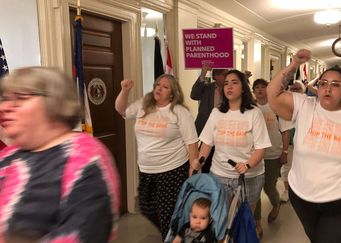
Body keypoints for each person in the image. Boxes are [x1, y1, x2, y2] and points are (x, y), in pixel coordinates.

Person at [267, 49, 341, 243]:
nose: (327, 89)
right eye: (323, 84)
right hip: (303, 198)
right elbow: (272, 94)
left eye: (335, 85)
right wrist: (293, 65)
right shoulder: (304, 105)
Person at [0, 67, 120, 242]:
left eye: (20, 98)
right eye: (4, 98)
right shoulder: (8, 155)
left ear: (54, 102)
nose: (4, 107)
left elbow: (83, 234)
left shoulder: (84, 157)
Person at [115, 74, 199, 239]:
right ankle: (177, 234)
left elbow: (192, 143)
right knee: (146, 208)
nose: (159, 88)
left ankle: (171, 238)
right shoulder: (143, 105)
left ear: (173, 93)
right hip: (146, 169)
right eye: (157, 85)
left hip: (172, 170)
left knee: (168, 213)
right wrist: (124, 91)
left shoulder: (179, 112)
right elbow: (121, 109)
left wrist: (193, 170)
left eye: (165, 87)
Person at [198, 69, 271, 215]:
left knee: (244, 218)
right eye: (226, 83)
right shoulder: (217, 112)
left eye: (234, 83)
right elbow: (207, 142)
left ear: (243, 88)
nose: (229, 87)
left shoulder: (254, 113)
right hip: (219, 174)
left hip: (249, 176)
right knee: (220, 217)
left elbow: (261, 148)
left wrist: (247, 165)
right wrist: (198, 161)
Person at [251, 78, 290, 238]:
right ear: (253, 91)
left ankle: (276, 204)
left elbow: (285, 131)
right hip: (254, 155)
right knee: (255, 191)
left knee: (269, 187)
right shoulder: (250, 107)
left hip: (273, 153)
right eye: (257, 88)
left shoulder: (276, 106)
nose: (260, 90)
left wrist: (285, 152)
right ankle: (257, 223)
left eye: (263, 87)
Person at [190, 63, 228, 173]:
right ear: (215, 76)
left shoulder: (229, 89)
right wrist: (203, 73)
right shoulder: (207, 87)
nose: (227, 76)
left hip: (224, 132)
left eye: (227, 73)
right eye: (224, 74)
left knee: (222, 161)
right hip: (207, 130)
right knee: (206, 162)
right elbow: (194, 95)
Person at [280, 80, 306, 203]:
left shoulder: (310, 106)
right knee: (286, 168)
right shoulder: (284, 107)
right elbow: (285, 130)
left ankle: (301, 190)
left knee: (304, 168)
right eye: (293, 89)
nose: (295, 91)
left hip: (306, 146)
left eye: (298, 89)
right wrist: (284, 151)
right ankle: (287, 190)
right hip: (290, 145)